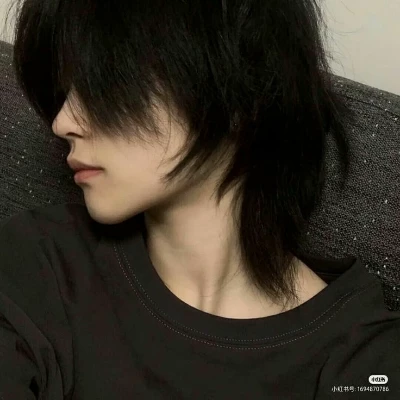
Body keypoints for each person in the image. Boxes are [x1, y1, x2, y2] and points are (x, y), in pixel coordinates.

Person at [1, 0, 399, 398]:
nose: (62, 122)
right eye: (65, 88)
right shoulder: (40, 264)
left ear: (239, 87)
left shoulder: (365, 361)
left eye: (101, 81)